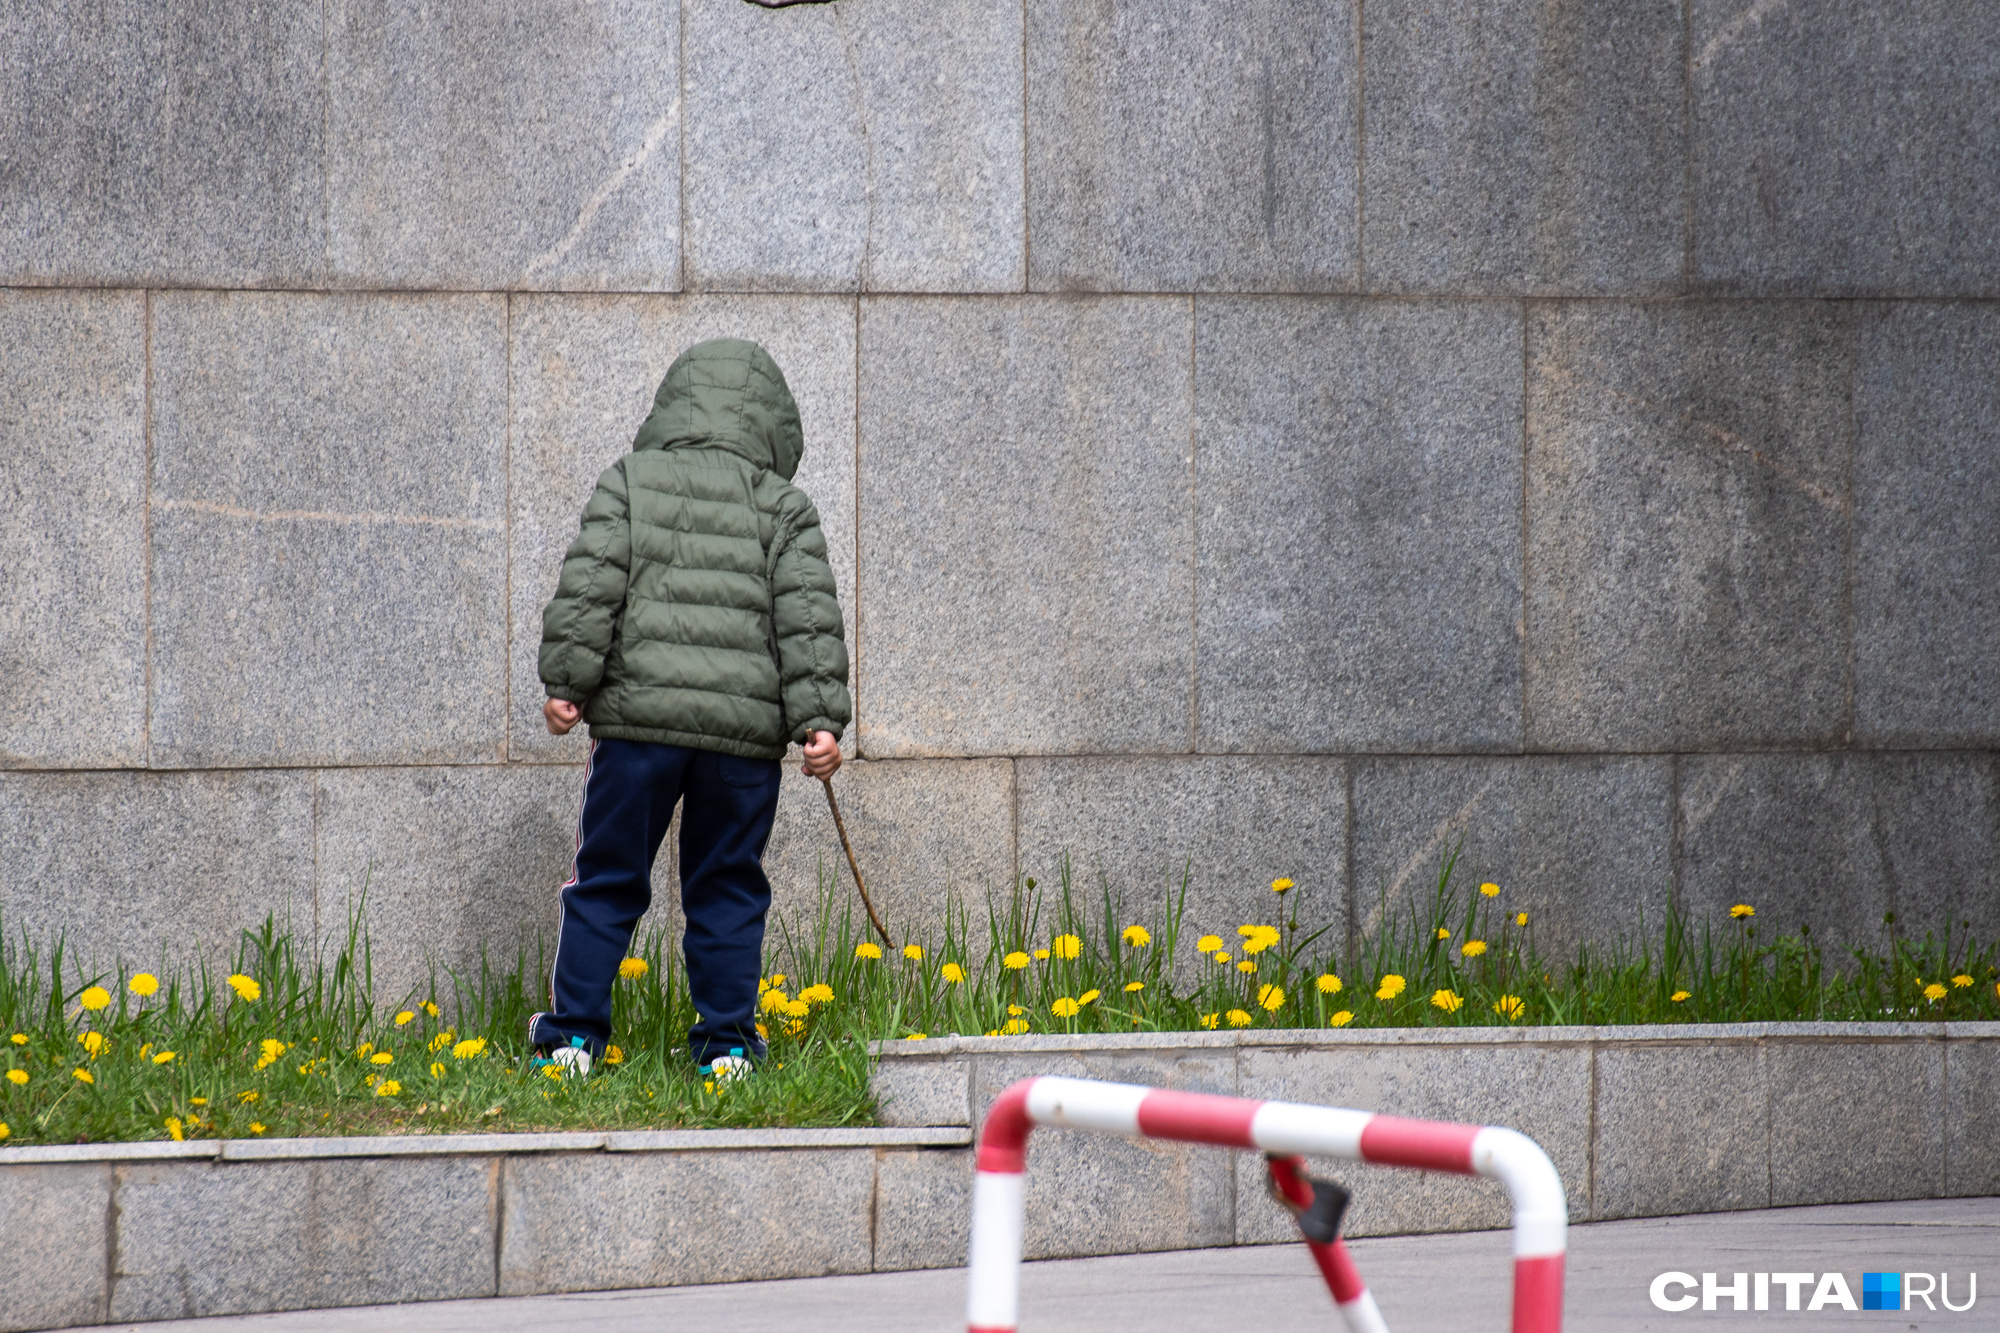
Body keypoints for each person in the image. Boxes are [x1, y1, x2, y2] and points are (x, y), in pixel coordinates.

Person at [533, 338, 850, 1080]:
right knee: (727, 886)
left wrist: (566, 682)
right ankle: (728, 1048)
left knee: (607, 877)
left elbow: (591, 586)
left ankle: (573, 1040)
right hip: (740, 743)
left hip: (638, 732)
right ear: (772, 421)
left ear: (673, 403)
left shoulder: (632, 482)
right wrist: (820, 722)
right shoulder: (783, 507)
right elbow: (806, 620)